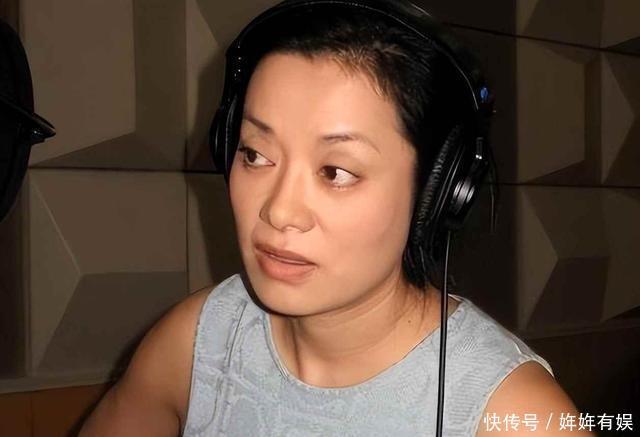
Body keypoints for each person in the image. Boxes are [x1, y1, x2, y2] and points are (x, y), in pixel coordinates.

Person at [80, 1, 593, 435]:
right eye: (255, 154)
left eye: (336, 172)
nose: (279, 210)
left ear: (438, 193)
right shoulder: (198, 342)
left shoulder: (518, 416)